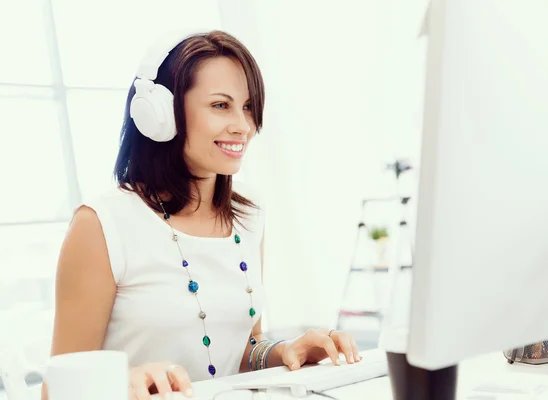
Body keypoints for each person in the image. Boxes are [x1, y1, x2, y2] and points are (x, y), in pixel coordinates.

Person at [46, 29, 361, 399]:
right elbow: (57, 389)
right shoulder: (101, 224)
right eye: (220, 105)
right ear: (160, 114)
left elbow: (240, 350)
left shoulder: (248, 215)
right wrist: (122, 382)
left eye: (247, 107)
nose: (242, 126)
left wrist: (284, 351)